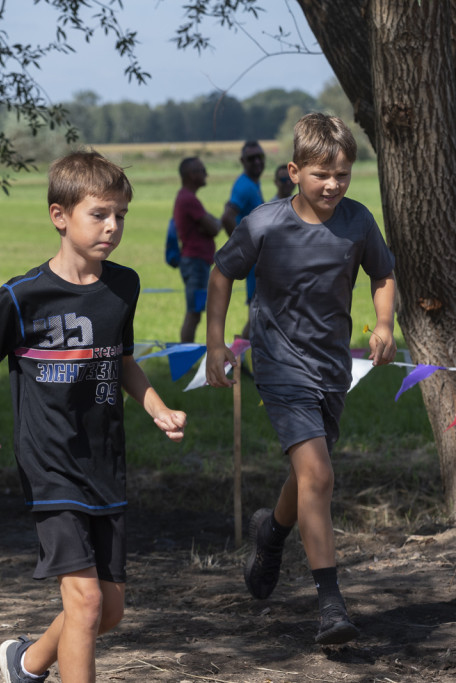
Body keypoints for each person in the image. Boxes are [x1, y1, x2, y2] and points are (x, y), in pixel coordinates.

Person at [0, 150, 187, 683]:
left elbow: (121, 360)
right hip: (49, 463)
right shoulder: (22, 296)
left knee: (109, 609)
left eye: (121, 215)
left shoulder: (123, 286)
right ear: (60, 216)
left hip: (105, 461)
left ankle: (27, 661)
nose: (112, 226)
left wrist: (157, 407)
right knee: (83, 603)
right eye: (99, 214)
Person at [205, 113, 396, 645]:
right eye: (321, 174)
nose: (333, 184)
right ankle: (331, 606)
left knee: (309, 475)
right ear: (294, 172)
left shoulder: (358, 222)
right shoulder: (264, 224)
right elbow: (222, 272)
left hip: (333, 368)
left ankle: (272, 532)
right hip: (278, 365)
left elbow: (382, 273)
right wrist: (216, 342)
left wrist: (384, 323)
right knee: (319, 474)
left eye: (343, 174)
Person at [173, 157, 222, 343]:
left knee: (196, 312)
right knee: (194, 313)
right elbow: (215, 227)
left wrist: (208, 225)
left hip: (196, 262)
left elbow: (210, 226)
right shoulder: (189, 199)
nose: (206, 174)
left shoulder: (187, 198)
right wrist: (210, 225)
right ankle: (184, 358)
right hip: (195, 263)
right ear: (192, 175)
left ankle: (186, 356)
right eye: (202, 170)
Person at [220, 141, 266, 339]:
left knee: (258, 315)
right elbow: (227, 217)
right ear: (242, 161)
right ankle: (239, 359)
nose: (256, 162)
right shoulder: (244, 186)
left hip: (258, 260)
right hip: (254, 261)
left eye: (260, 157)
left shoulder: (253, 183)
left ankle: (239, 360)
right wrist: (244, 250)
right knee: (257, 314)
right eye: (251, 158)